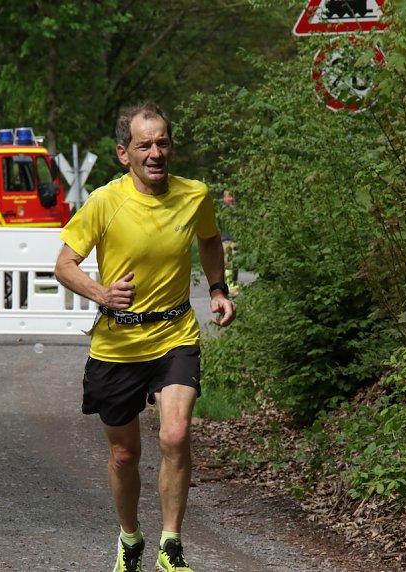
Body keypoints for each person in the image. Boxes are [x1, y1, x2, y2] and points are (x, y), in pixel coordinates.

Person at [54, 103, 236, 572]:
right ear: (123, 153)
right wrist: (101, 293)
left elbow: (210, 238)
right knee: (123, 452)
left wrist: (218, 288)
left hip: (175, 333)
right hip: (117, 344)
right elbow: (64, 265)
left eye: (162, 143)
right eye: (144, 145)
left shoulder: (195, 195)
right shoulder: (104, 202)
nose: (155, 153)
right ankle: (130, 538)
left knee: (176, 435)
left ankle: (170, 545)